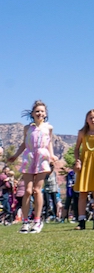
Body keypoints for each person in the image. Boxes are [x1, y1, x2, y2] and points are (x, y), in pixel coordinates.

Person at [8, 100, 57, 233]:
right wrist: (16, 155)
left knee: (37, 190)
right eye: (37, 111)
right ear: (32, 113)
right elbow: (24, 144)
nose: (39, 113)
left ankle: (37, 220)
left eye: (42, 111)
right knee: (28, 191)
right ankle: (25, 222)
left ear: (45, 114)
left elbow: (49, 143)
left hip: (42, 157)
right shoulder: (27, 128)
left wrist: (52, 156)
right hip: (29, 157)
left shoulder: (48, 127)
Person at [73, 109, 94, 230]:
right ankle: (81, 220)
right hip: (85, 163)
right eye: (90, 118)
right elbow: (77, 148)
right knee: (83, 193)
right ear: (86, 120)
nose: (93, 120)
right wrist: (77, 160)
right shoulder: (82, 133)